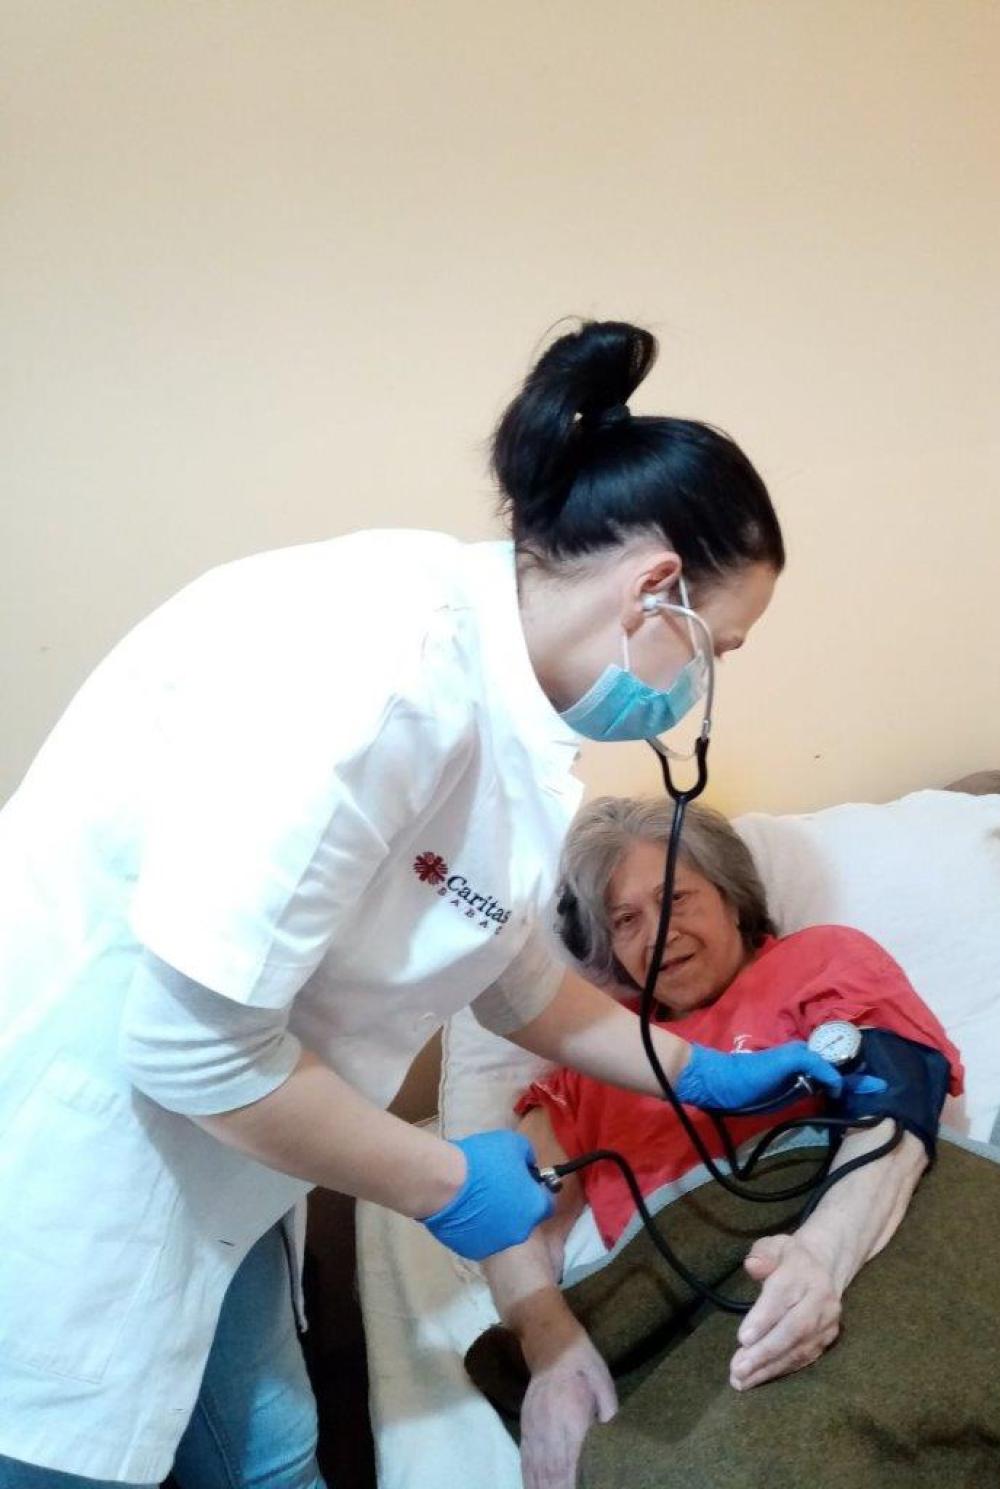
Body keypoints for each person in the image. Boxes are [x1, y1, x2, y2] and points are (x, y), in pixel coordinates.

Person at [0, 320, 853, 1488]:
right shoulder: (384, 669)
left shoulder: (506, 710)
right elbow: (188, 1046)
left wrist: (692, 1070)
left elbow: (506, 969)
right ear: (659, 590)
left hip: (224, 1173)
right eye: (722, 648)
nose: (708, 687)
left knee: (275, 1458)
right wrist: (449, 1184)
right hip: (79, 1171)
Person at [479, 796, 962, 1489]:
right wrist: (550, 1350)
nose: (656, 934)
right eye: (624, 920)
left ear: (733, 898)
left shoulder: (819, 958)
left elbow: (897, 1104)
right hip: (702, 1324)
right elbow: (515, 1222)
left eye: (675, 897)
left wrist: (821, 1255)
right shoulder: (592, 1054)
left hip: (856, 1258)